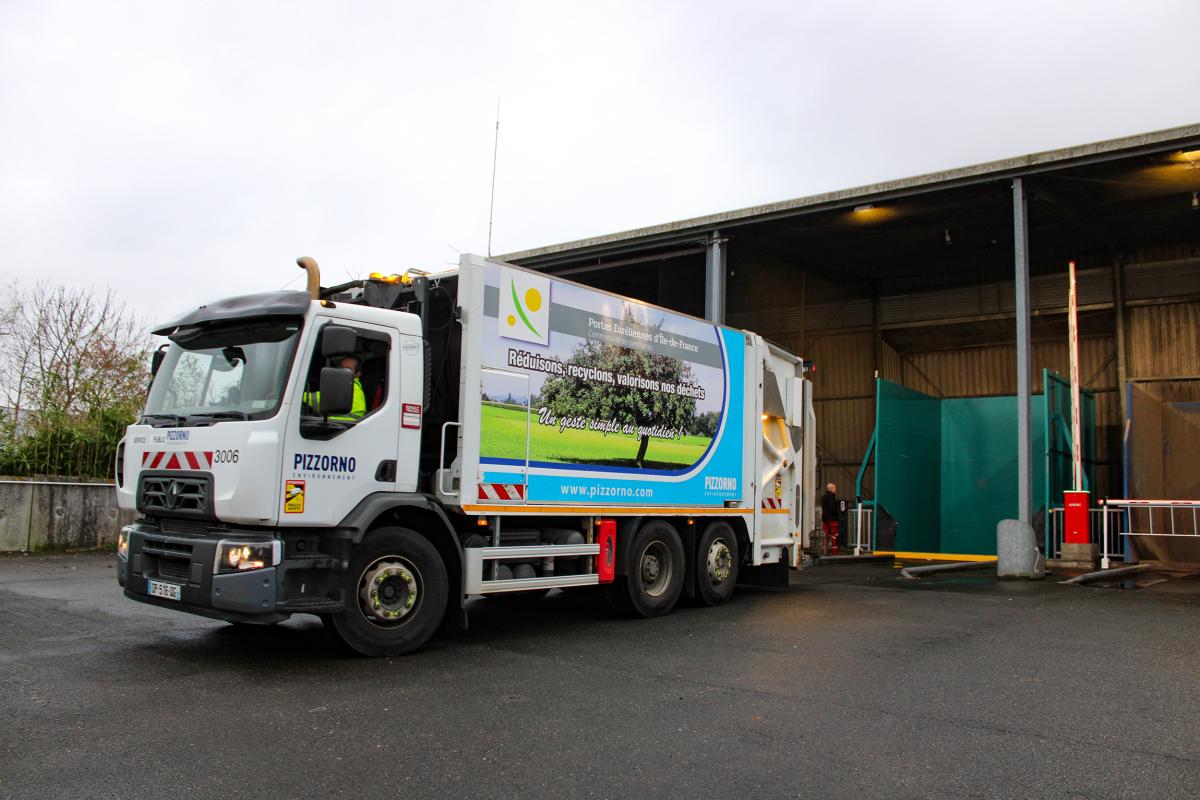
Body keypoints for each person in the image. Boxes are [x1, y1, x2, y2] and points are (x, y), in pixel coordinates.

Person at [305, 355, 366, 421]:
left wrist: (299, 396)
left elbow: (320, 399)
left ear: (358, 374)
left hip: (344, 428)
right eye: (340, 368)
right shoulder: (348, 384)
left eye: (348, 370)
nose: (342, 372)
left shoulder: (351, 387)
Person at [821, 482, 840, 555]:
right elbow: (832, 507)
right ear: (832, 488)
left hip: (825, 518)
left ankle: (824, 550)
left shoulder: (823, 496)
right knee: (834, 535)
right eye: (835, 488)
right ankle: (834, 552)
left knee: (825, 534)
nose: (835, 489)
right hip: (832, 519)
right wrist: (837, 513)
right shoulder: (831, 496)